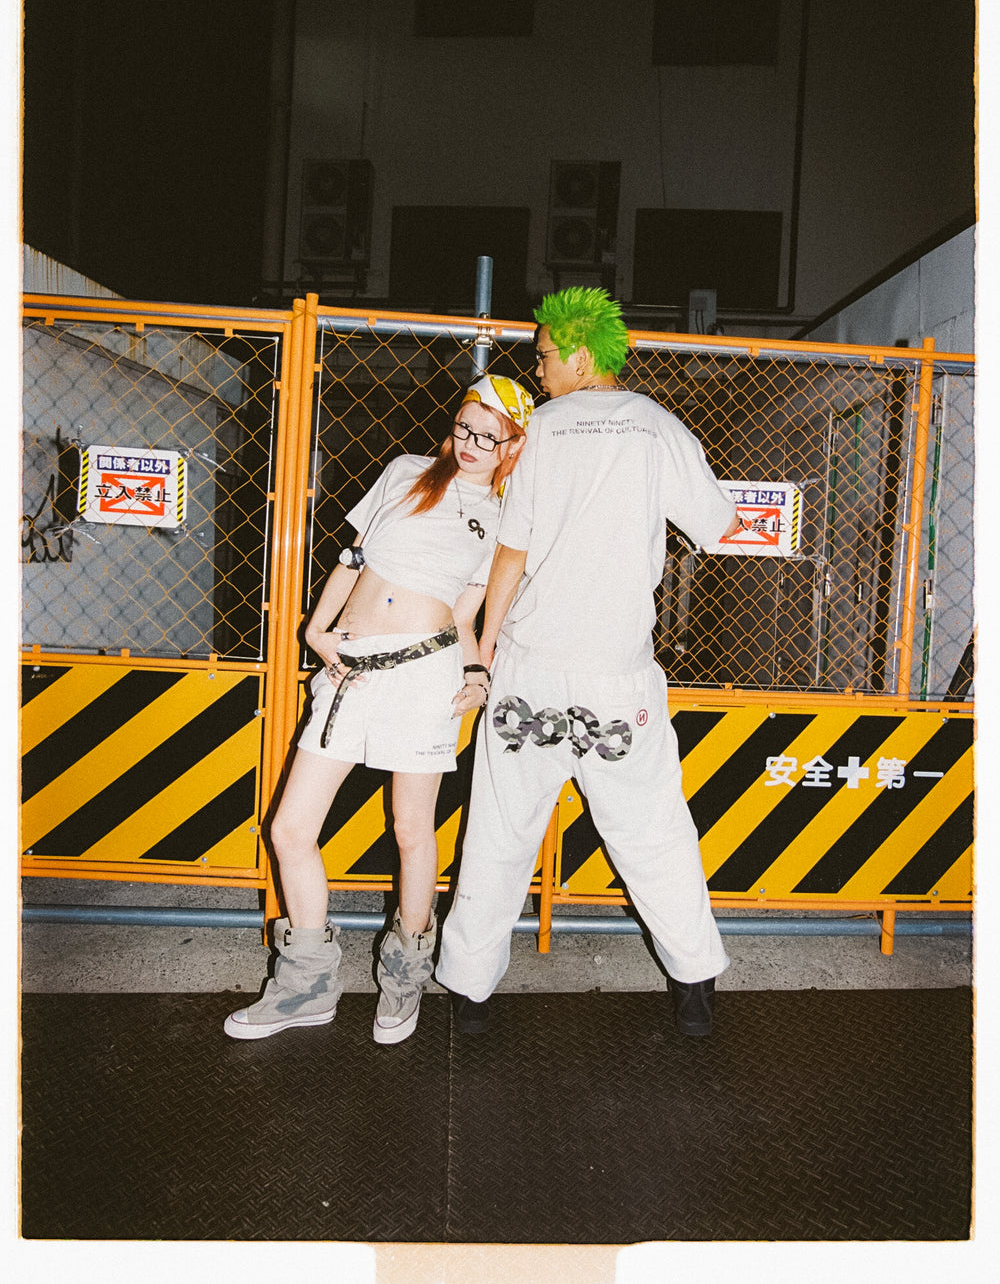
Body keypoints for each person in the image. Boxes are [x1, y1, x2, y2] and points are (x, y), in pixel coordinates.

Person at [436, 287, 740, 1038]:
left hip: (532, 669)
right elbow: (718, 523)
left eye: (543, 356)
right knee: (652, 829)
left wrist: (484, 648)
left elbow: (511, 551)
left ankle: (470, 992)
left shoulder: (539, 432)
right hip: (617, 671)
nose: (537, 370)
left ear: (578, 354)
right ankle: (695, 984)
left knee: (501, 831)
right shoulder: (657, 426)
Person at [225, 374, 533, 1045]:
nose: (471, 443)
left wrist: (477, 670)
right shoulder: (406, 472)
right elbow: (354, 557)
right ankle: (306, 985)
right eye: (464, 427)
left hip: (425, 672)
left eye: (489, 436)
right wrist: (316, 629)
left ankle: (404, 976)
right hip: (351, 670)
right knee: (290, 828)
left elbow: (466, 612)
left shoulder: (506, 514)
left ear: (512, 445)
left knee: (411, 829)